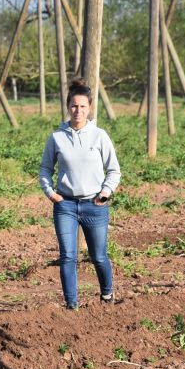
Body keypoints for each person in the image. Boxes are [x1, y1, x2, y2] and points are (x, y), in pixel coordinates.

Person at [38, 77, 121, 310]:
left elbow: (114, 170)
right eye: (74, 106)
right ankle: (71, 305)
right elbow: (45, 168)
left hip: (94, 205)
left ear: (90, 108)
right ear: (68, 107)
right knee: (67, 256)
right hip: (65, 205)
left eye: (83, 106)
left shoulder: (99, 136)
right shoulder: (57, 137)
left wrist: (105, 193)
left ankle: (107, 294)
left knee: (99, 256)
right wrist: (50, 193)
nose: (78, 110)